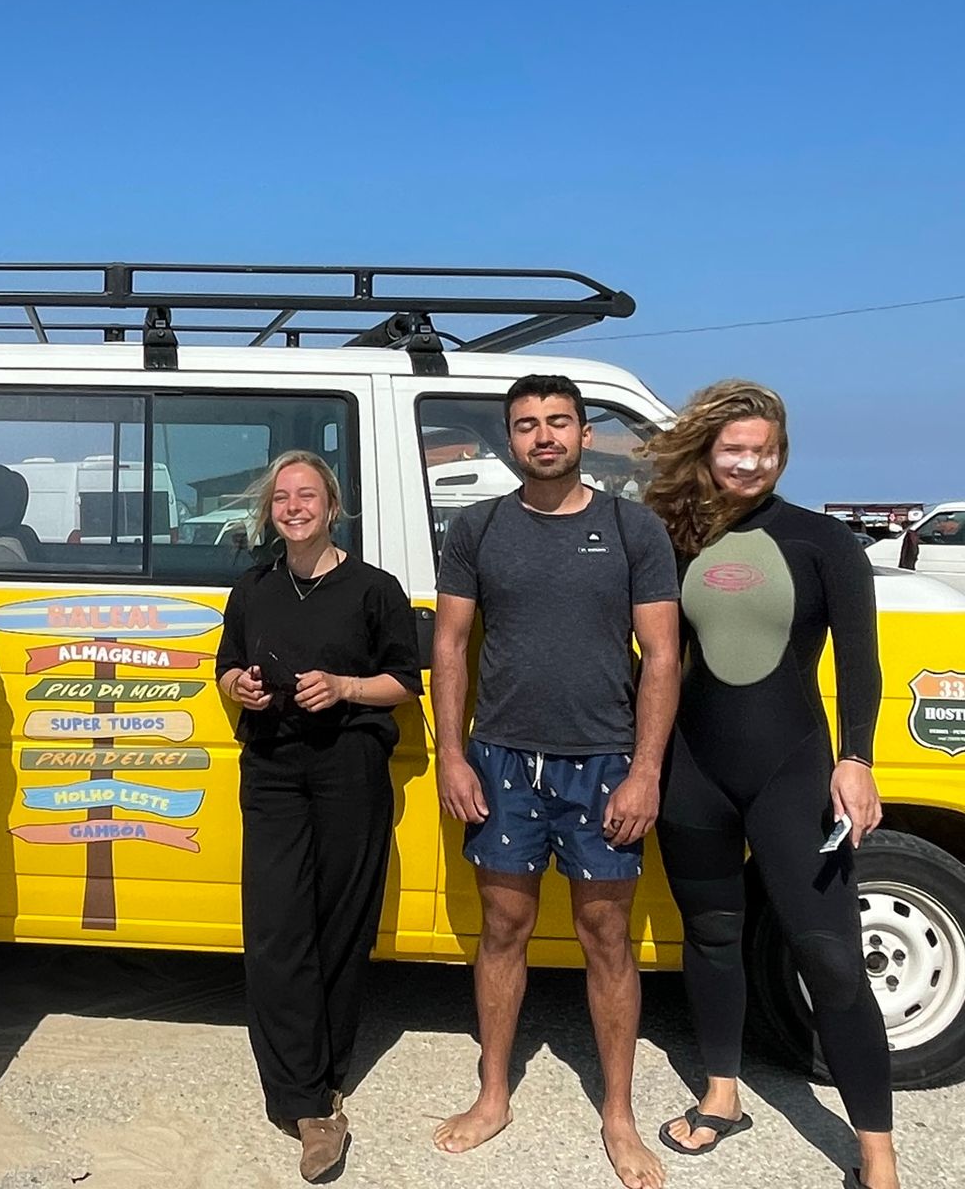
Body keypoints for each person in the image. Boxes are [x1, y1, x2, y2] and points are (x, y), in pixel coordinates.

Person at [640, 382, 899, 1189]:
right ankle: (722, 1095)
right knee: (713, 935)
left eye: (766, 450)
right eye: (734, 449)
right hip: (695, 774)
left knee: (829, 957)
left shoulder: (823, 541)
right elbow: (661, 659)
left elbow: (859, 659)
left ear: (782, 453)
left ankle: (878, 1157)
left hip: (793, 773)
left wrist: (855, 760)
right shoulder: (675, 541)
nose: (750, 463)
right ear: (708, 453)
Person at [429, 374, 680, 1189]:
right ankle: (492, 1092)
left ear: (581, 433)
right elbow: (451, 645)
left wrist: (645, 773)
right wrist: (452, 754)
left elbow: (663, 659)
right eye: (528, 424)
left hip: (604, 763)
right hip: (502, 759)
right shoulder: (479, 527)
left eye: (558, 422)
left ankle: (619, 1114)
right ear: (510, 439)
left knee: (607, 937)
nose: (544, 436)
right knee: (503, 929)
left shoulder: (631, 528)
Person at [215, 452, 422, 1183]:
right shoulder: (253, 588)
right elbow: (226, 668)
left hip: (348, 769)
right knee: (276, 929)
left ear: (333, 506)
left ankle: (325, 1071)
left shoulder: (374, 589)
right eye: (282, 498)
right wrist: (239, 686)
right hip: (272, 770)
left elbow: (403, 679)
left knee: (339, 923)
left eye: (308, 495)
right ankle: (302, 1098)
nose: (294, 507)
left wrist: (343, 687)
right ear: (269, 511)